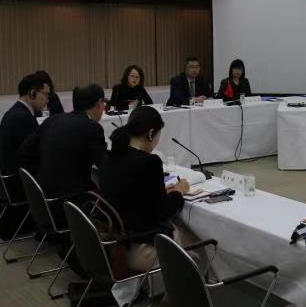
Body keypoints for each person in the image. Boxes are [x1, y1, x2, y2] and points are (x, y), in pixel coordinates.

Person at [99, 106, 190, 270]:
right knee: (194, 242)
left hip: (114, 241)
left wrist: (159, 192)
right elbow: (163, 212)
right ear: (150, 133)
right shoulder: (149, 162)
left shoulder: (108, 158)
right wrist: (179, 191)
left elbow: (132, 193)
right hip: (141, 245)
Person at [17, 84, 107, 200]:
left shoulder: (52, 120)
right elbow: (105, 166)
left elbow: (24, 152)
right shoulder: (92, 128)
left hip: (41, 196)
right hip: (72, 200)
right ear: (99, 103)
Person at [0, 74, 49, 238]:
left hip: (9, 177)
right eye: (46, 94)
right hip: (18, 182)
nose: (47, 100)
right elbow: (34, 156)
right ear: (32, 93)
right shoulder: (23, 118)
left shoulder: (15, 112)